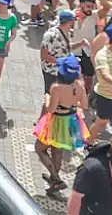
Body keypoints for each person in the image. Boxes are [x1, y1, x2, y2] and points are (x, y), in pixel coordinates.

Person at [35, 55, 88, 193]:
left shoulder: (56, 87)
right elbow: (85, 105)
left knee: (40, 148)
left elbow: (51, 109)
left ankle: (57, 179)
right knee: (56, 150)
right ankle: (54, 180)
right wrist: (72, 104)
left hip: (56, 121)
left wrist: (47, 98)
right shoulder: (80, 86)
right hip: (69, 121)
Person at [42, 10, 76, 93]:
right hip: (51, 72)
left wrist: (80, 44)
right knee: (49, 97)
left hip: (63, 72)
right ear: (71, 21)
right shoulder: (51, 35)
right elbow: (44, 55)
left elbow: (66, 48)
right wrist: (62, 61)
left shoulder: (67, 32)